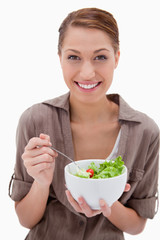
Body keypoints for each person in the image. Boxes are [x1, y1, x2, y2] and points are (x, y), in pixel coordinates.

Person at [9, 8, 159, 240]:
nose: (87, 72)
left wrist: (108, 202)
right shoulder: (35, 120)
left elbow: (137, 225)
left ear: (116, 58)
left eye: (100, 57)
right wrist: (41, 182)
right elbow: (25, 219)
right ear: (59, 58)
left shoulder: (145, 132)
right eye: (73, 57)